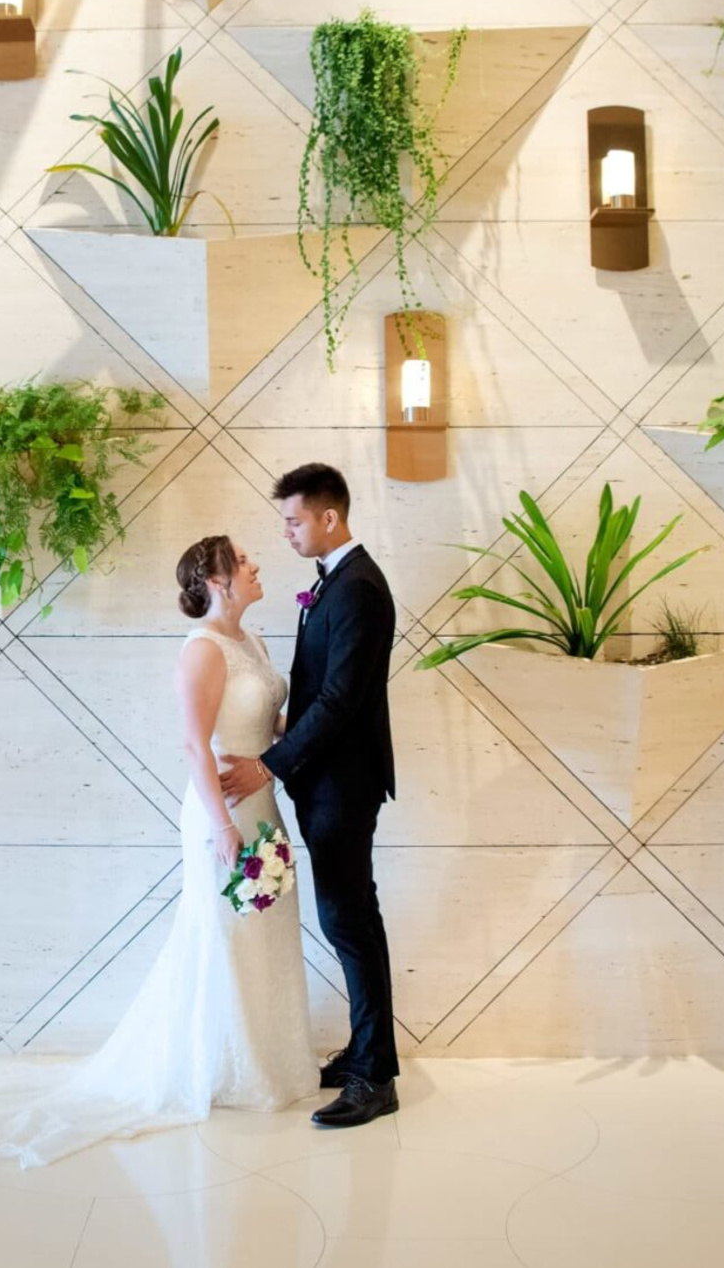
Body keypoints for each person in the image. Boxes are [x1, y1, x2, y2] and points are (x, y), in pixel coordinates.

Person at [0, 535, 316, 1166]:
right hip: (220, 810)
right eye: (244, 561)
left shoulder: (252, 642)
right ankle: (222, 1068)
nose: (257, 566)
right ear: (219, 581)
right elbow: (196, 745)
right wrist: (223, 828)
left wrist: (296, 743)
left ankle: (266, 1064)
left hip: (262, 802)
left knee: (265, 931)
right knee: (224, 934)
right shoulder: (202, 650)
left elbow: (264, 723)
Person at [218, 462, 400, 1129]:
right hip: (326, 777)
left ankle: (376, 1076)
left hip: (346, 783)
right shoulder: (335, 583)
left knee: (350, 921)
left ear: (329, 517)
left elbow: (341, 699)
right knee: (346, 918)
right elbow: (323, 690)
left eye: (294, 521)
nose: (287, 533)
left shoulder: (358, 588)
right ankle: (364, 1052)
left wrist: (268, 764)